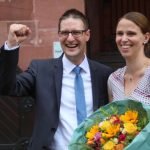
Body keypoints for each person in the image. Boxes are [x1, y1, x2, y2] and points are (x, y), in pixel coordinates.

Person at [0, 9, 112, 150]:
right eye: (65, 33)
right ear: (59, 35)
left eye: (76, 32)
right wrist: (11, 45)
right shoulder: (41, 70)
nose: (70, 38)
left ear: (87, 35)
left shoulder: (103, 74)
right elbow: (7, 87)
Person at [108, 12, 150, 105]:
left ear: (146, 38)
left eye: (131, 34)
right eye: (119, 34)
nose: (123, 39)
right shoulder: (114, 79)